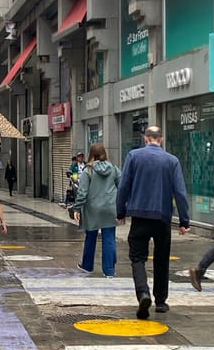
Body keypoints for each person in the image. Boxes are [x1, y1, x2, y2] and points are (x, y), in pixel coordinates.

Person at [116, 125, 190, 319]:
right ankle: (161, 301)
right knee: (161, 258)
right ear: (161, 139)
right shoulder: (172, 160)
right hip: (162, 218)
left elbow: (124, 186)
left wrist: (120, 211)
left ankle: (143, 293)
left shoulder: (134, 156)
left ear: (145, 139)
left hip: (139, 217)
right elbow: (180, 193)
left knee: (137, 257)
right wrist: (184, 220)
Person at [72, 144, 121, 277]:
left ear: (91, 155)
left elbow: (82, 192)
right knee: (109, 238)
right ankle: (109, 271)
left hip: (92, 209)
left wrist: (77, 208)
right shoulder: (114, 169)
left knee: (91, 236)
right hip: (110, 208)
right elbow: (121, 186)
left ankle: (87, 266)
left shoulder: (88, 171)